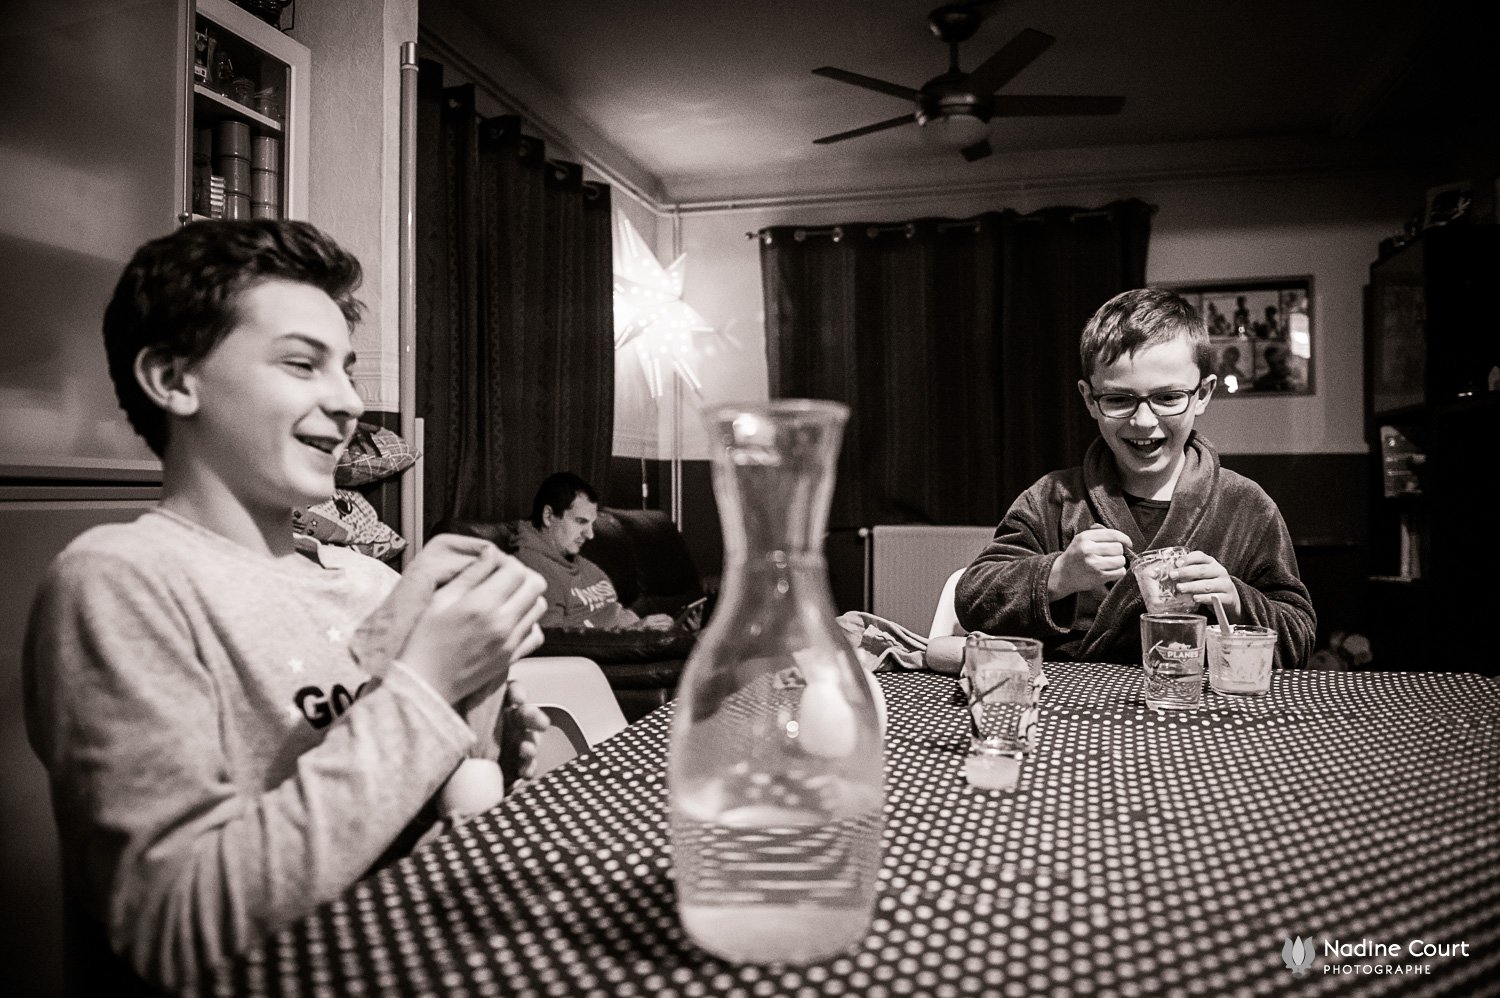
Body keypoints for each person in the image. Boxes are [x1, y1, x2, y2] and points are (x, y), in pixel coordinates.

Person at [23, 220, 552, 995]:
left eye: (348, 370)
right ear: (173, 378)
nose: (349, 403)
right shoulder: (122, 580)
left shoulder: (372, 584)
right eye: (302, 364)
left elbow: (414, 818)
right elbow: (175, 927)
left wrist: (476, 735)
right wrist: (426, 690)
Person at [954, 287, 1315, 669]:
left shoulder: (1245, 507)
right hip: (1074, 702)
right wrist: (1059, 575)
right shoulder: (1054, 500)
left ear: (1203, 394)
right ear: (1090, 399)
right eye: (1118, 399)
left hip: (1198, 701)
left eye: (1168, 397)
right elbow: (973, 601)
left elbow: (1299, 638)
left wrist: (1235, 600)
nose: (1143, 421)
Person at [515, 472, 675, 630]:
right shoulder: (534, 571)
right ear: (548, 516)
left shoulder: (576, 560)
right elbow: (555, 640)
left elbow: (614, 612)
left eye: (591, 524)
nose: (590, 535)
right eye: (581, 521)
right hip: (613, 645)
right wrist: (634, 633)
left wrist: (644, 627)